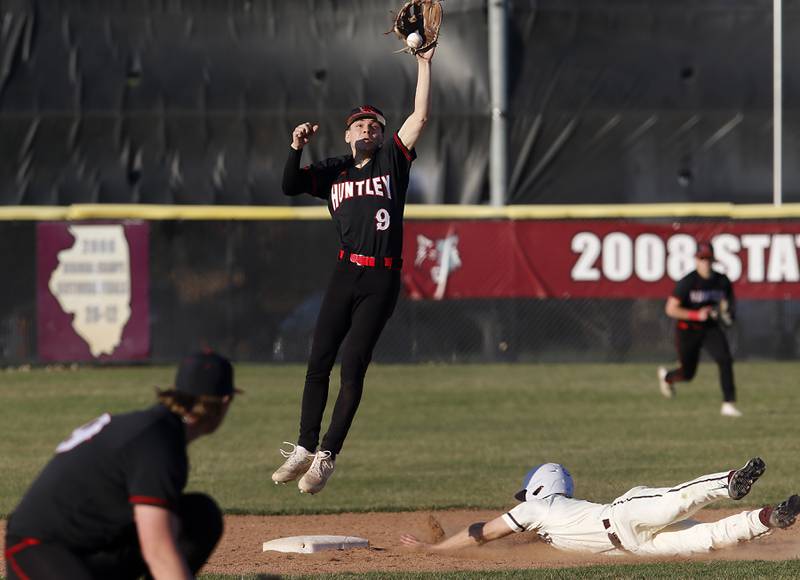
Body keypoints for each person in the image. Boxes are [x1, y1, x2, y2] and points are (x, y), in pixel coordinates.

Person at [272, 47, 435, 495]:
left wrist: (423, 63)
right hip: (347, 273)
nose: (367, 127)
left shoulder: (392, 164)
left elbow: (419, 116)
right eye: (359, 123)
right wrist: (296, 147)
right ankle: (304, 447)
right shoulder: (334, 171)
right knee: (318, 358)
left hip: (381, 278)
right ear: (347, 136)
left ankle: (327, 455)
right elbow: (290, 185)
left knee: (353, 365)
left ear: (383, 136)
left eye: (375, 124)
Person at [4, 351, 239, 580]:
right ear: (225, 402)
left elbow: (167, 529)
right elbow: (158, 552)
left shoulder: (158, 430)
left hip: (90, 546)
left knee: (199, 516)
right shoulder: (157, 442)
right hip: (35, 548)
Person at [400, 459, 800, 557]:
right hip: (636, 548)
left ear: (539, 489)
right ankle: (769, 518)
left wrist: (433, 549)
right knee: (709, 538)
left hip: (623, 514)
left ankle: (728, 482)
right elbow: (496, 538)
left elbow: (483, 532)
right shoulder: (544, 524)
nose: (520, 502)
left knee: (678, 500)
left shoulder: (538, 508)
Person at [657, 240, 742, 417]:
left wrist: (726, 314)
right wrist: (696, 315)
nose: (705, 262)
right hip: (687, 329)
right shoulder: (688, 282)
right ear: (696, 260)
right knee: (688, 374)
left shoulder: (722, 281)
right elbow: (671, 309)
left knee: (725, 359)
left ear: (714, 260)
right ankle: (667, 377)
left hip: (710, 328)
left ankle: (728, 403)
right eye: (702, 258)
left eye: (708, 259)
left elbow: (727, 304)